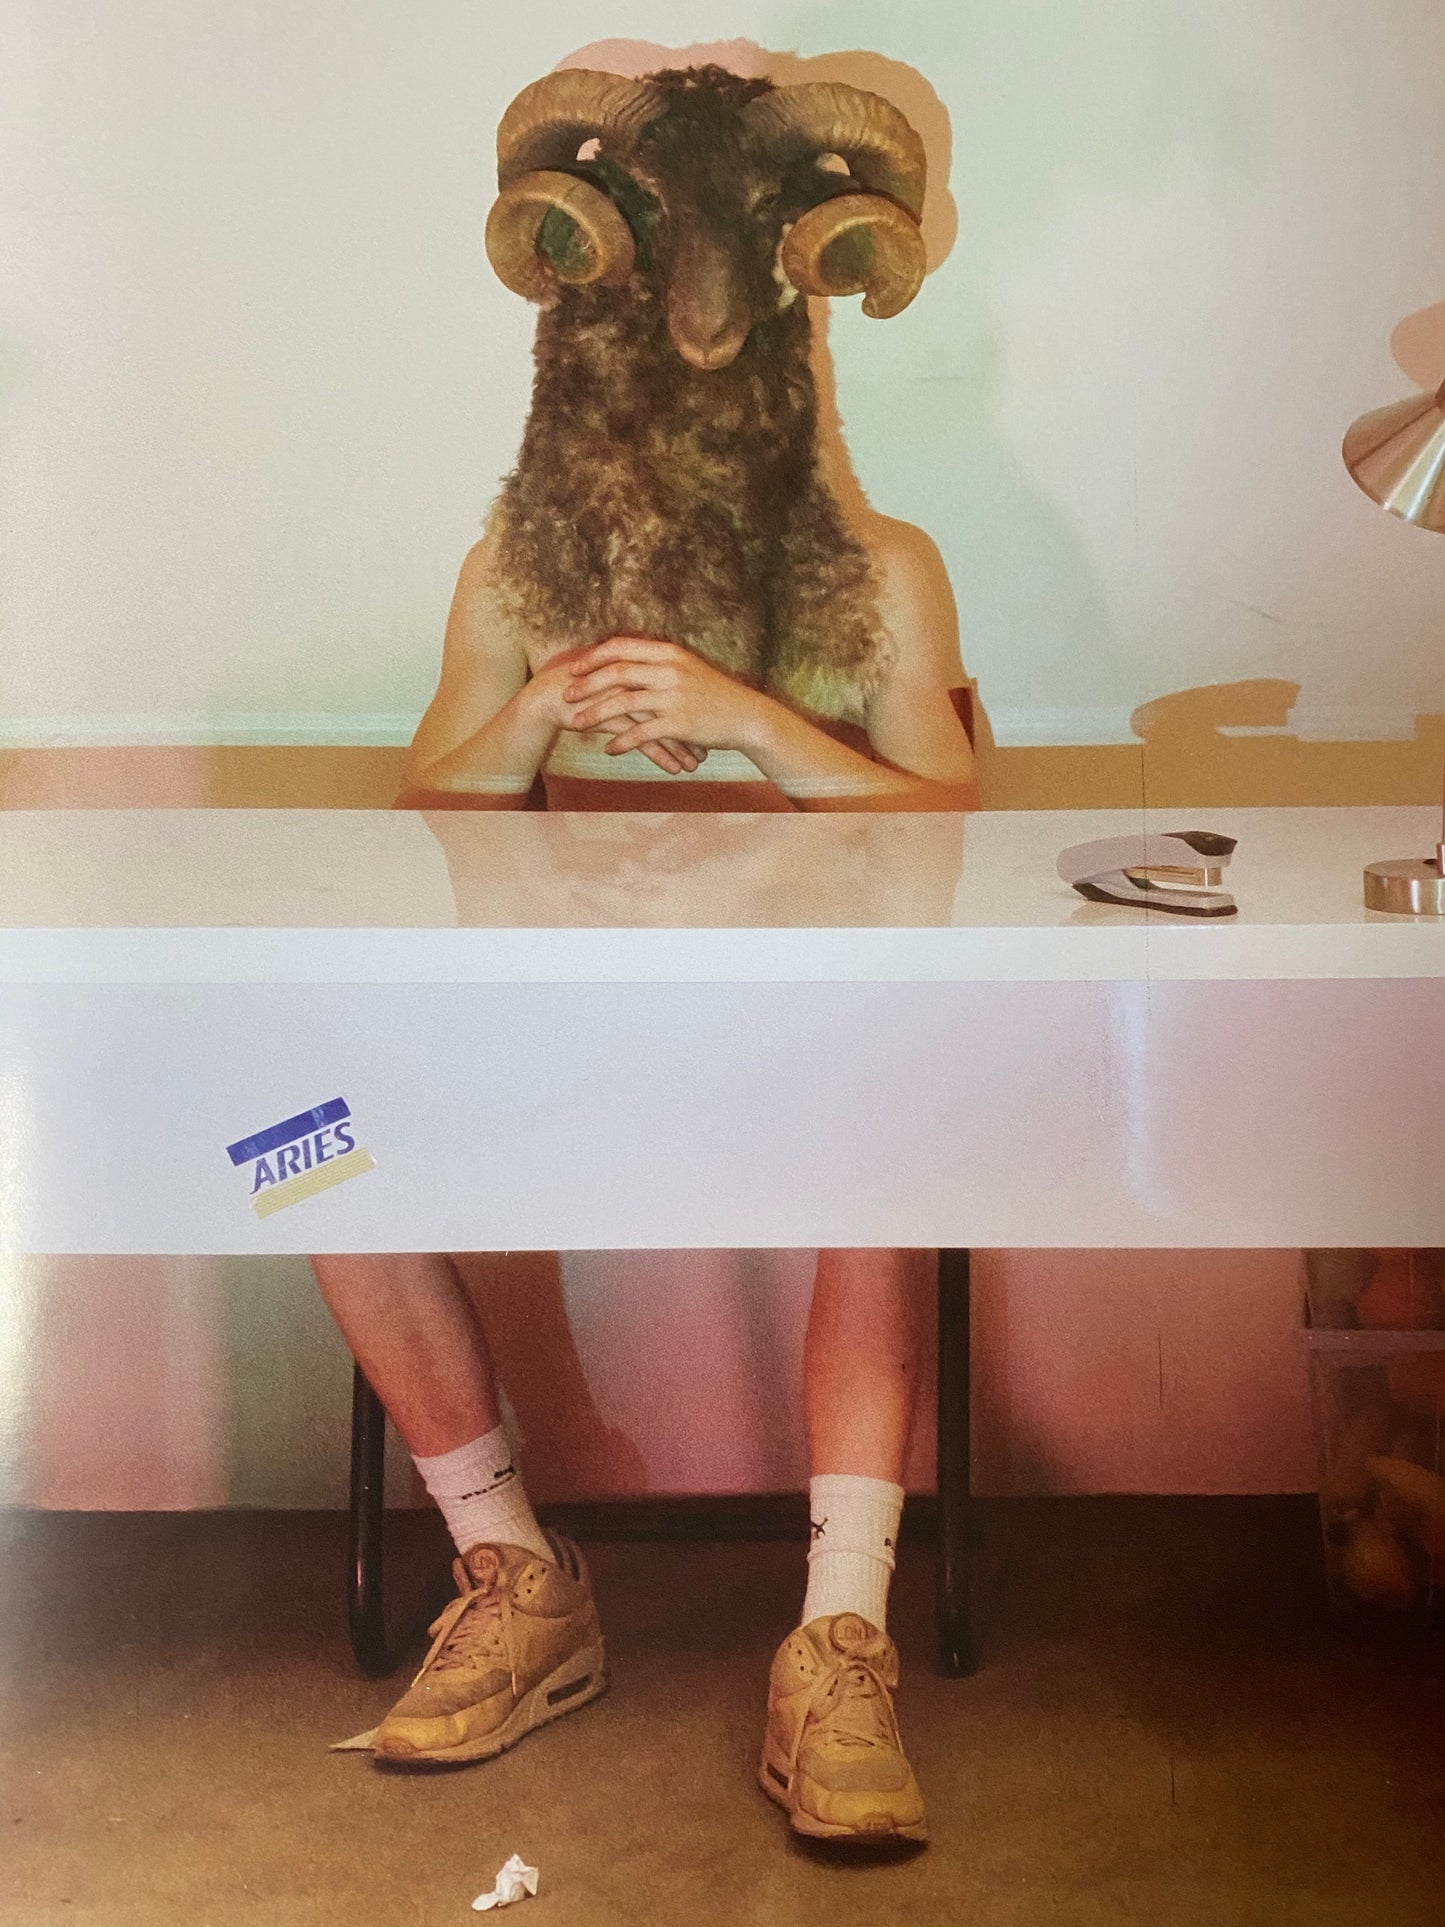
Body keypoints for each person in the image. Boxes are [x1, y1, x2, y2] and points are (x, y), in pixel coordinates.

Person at [312, 60, 977, 1847]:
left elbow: (946, 814)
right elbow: (428, 802)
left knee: (891, 1154)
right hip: (552, 1031)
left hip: (803, 1033)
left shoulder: (882, 571)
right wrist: (534, 711)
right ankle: (511, 1570)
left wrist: (755, 723)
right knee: (296, 1146)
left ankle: (837, 1631)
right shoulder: (512, 569)